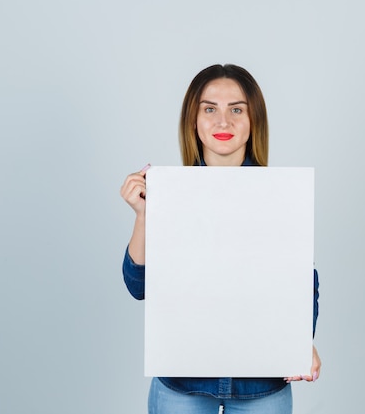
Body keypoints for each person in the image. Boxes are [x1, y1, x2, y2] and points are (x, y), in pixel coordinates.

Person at [120, 64, 321, 414]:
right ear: (193, 121)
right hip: (182, 384)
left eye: (237, 110)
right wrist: (144, 216)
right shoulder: (169, 193)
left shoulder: (281, 195)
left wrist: (302, 343)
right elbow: (139, 286)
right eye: (209, 109)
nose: (223, 122)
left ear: (253, 119)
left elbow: (303, 284)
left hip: (261, 384)